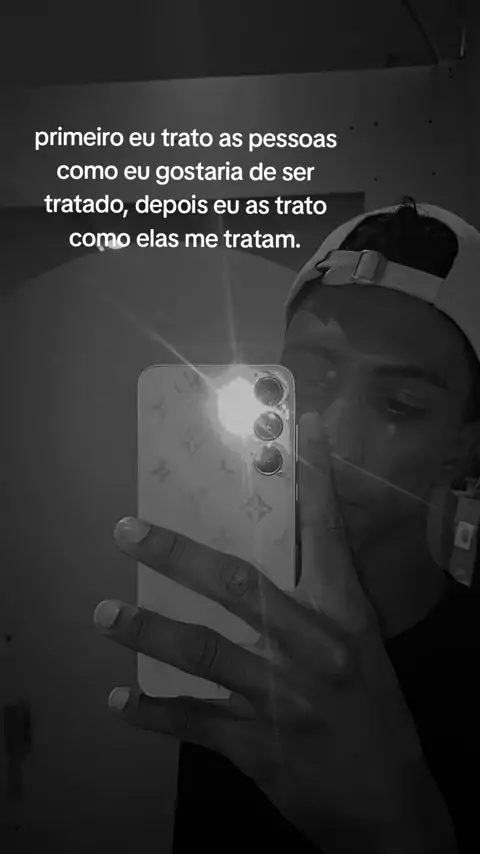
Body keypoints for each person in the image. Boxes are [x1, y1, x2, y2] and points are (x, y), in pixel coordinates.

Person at [93, 198, 480, 853]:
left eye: (400, 403)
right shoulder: (231, 639)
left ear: (464, 447)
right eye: (299, 381)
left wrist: (399, 826)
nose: (327, 434)